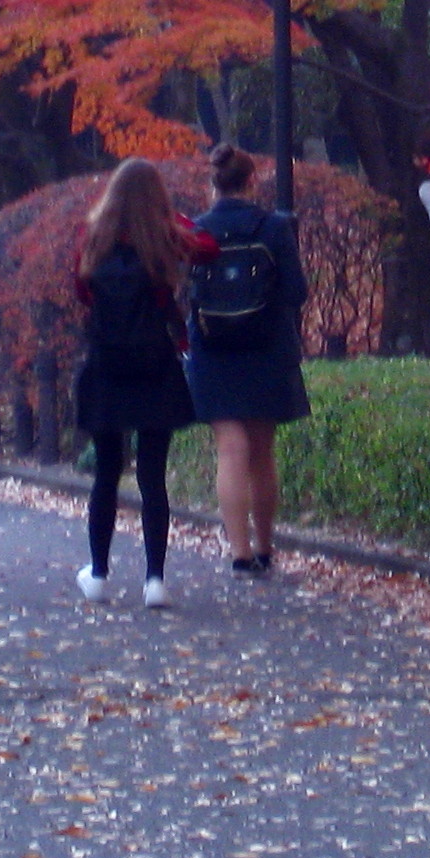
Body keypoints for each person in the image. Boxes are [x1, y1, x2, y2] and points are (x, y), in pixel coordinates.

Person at [69, 159, 207, 610]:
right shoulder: (163, 242)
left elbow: (81, 293)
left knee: (107, 473)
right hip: (154, 365)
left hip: (106, 366)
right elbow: (209, 247)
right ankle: (154, 580)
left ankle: (99, 573)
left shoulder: (92, 243)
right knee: (152, 475)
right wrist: (171, 221)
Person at [185, 145, 308, 575]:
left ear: (212, 183)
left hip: (212, 348)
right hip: (267, 346)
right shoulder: (272, 228)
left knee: (230, 448)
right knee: (261, 449)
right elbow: (296, 292)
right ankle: (265, 546)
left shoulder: (195, 231)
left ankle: (238, 553)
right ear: (251, 181)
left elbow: (183, 292)